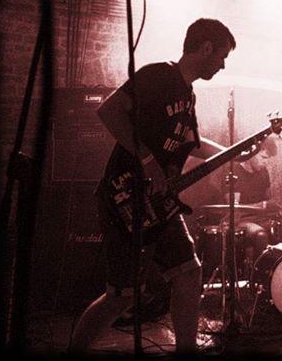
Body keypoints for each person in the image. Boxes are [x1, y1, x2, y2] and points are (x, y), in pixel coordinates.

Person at [68, 18, 236, 354]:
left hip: (158, 200)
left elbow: (192, 143)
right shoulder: (158, 75)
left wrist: (236, 154)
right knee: (121, 296)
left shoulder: (188, 94)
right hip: (124, 194)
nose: (222, 65)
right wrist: (147, 160)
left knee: (188, 272)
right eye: (222, 56)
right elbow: (110, 110)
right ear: (205, 48)